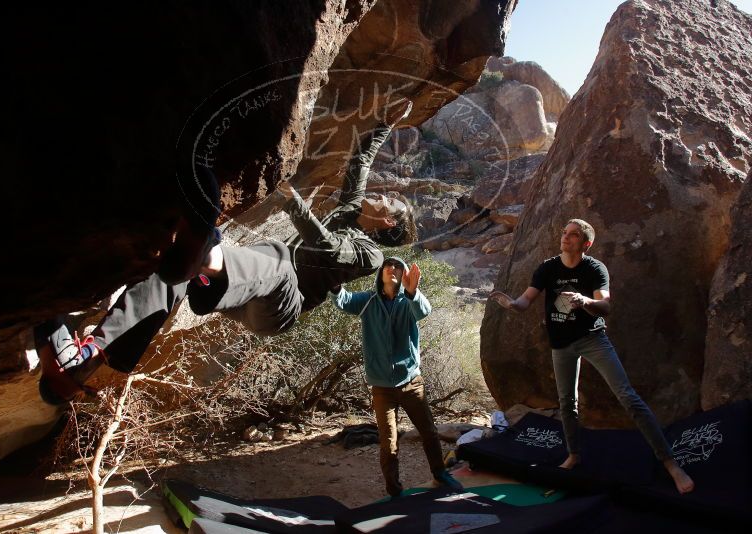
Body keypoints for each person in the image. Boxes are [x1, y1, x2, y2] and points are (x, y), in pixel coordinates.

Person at [36, 100, 418, 404]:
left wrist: (291, 200)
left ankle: (207, 251)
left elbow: (328, 247)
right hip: (252, 287)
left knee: (280, 261)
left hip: (282, 305)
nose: (380, 196)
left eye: (388, 203)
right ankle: (87, 359)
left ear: (387, 224)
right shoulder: (352, 211)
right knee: (172, 273)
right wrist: (386, 122)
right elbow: (359, 163)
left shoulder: (370, 255)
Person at [490, 218, 695, 495]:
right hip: (560, 345)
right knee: (566, 403)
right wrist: (513, 304)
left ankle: (670, 463)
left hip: (592, 340)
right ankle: (574, 455)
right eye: (564, 233)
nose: (566, 237)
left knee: (627, 397)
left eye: (573, 235)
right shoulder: (548, 268)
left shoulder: (595, 269)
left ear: (586, 243)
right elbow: (527, 300)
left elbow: (605, 306)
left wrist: (584, 301)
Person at [332, 257, 464, 498]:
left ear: (404, 275)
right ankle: (394, 491)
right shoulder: (369, 301)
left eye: (398, 267)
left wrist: (413, 292)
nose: (392, 269)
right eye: (387, 266)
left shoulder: (409, 301)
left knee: (429, 432)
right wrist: (333, 283)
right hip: (382, 387)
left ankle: (440, 474)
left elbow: (424, 311)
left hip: (411, 383)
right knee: (388, 443)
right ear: (380, 273)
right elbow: (344, 301)